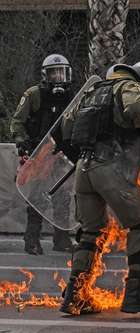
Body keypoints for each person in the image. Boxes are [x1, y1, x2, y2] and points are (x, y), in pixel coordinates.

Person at [59, 60, 140, 316]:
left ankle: (75, 297)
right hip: (109, 169)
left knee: (90, 233)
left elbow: (67, 126)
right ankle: (137, 296)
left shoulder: (94, 90)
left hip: (83, 170)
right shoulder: (129, 86)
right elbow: (136, 109)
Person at [10, 54, 74, 255]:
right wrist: (23, 144)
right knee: (37, 197)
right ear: (45, 75)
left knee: (62, 197)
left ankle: (62, 241)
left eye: (61, 72)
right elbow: (17, 122)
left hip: (61, 154)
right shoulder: (34, 94)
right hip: (39, 153)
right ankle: (32, 240)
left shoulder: (72, 97)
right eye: (53, 72)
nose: (58, 77)